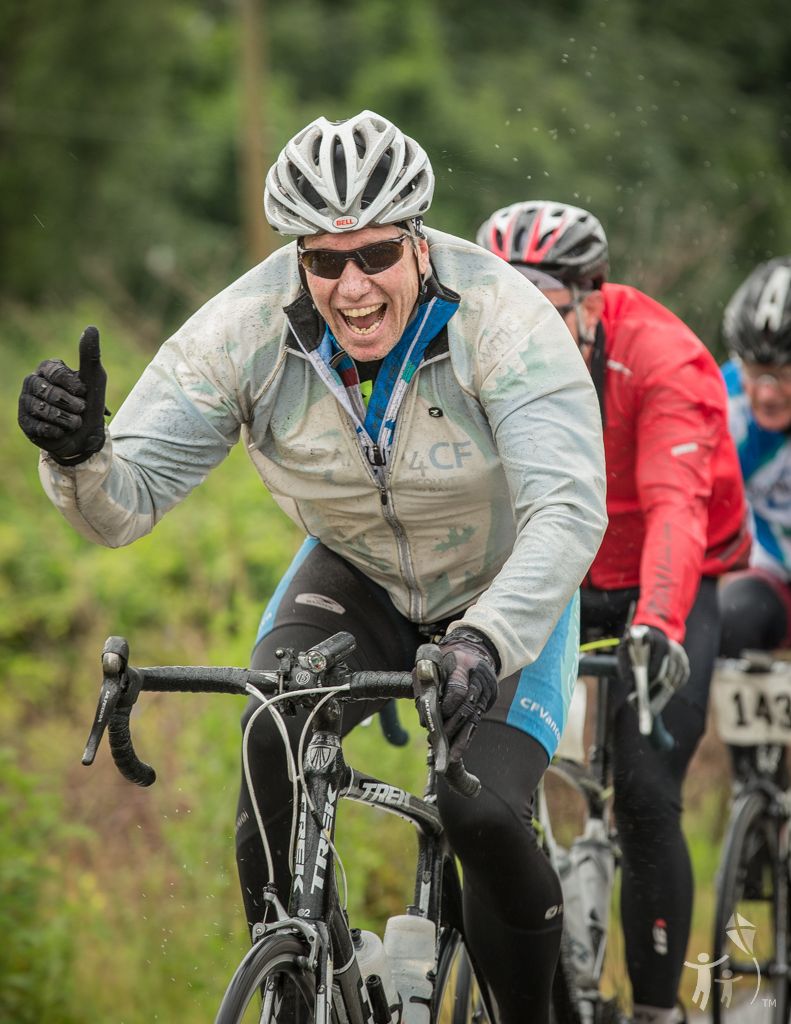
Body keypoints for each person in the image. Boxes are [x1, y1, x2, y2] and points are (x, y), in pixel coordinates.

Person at [18, 112, 607, 1023]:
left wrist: (485, 642)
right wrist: (78, 455)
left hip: (502, 585)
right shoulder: (245, 330)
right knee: (272, 739)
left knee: (481, 813)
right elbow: (123, 505)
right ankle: (299, 983)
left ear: (418, 242)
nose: (352, 284)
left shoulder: (503, 319)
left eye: (374, 254)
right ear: (298, 259)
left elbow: (567, 511)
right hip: (357, 569)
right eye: (325, 260)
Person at [477, 200, 750, 1024]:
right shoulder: (485, 350)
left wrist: (660, 624)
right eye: (506, 306)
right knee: (489, 786)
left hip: (670, 572)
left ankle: (656, 1012)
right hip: (560, 564)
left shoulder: (663, 358)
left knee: (641, 785)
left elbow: (675, 508)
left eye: (546, 312)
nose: (521, 330)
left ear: (592, 299)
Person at [717, 257, 791, 658]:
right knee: (732, 616)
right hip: (772, 574)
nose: (766, 393)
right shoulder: (725, 401)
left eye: (783, 373)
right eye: (754, 370)